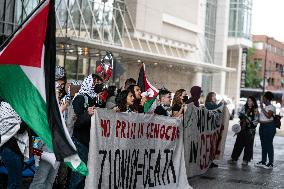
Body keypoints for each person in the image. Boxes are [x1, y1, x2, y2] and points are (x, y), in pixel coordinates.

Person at [30, 66, 68, 189]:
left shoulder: (63, 98)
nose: (60, 85)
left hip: (58, 142)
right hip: (45, 141)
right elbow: (41, 120)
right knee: (40, 179)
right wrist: (60, 110)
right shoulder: (43, 95)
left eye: (62, 81)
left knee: (50, 179)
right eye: (57, 81)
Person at [69, 74, 104, 189]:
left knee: (86, 176)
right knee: (78, 175)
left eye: (99, 82)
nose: (98, 85)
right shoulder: (80, 98)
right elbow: (76, 121)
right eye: (95, 82)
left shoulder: (96, 99)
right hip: (80, 141)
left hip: (90, 142)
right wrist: (87, 114)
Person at [0, 98, 27, 189]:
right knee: (15, 184)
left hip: (13, 149)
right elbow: (17, 128)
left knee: (15, 182)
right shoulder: (4, 106)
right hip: (10, 150)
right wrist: (25, 119)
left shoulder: (10, 104)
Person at [228, 96, 259, 166]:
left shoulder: (256, 110)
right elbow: (240, 114)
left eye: (250, 101)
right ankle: (234, 158)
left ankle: (246, 160)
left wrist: (250, 122)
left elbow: (256, 121)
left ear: (253, 102)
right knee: (238, 144)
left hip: (250, 130)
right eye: (248, 101)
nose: (249, 102)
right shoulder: (244, 107)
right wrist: (242, 117)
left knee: (248, 146)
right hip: (242, 129)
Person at [255, 91, 276, 169]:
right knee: (263, 145)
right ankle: (263, 161)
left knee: (269, 145)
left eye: (263, 98)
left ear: (267, 99)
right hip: (262, 126)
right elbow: (262, 117)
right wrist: (257, 113)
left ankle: (270, 163)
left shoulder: (272, 107)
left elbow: (268, 116)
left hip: (269, 127)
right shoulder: (265, 107)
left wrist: (262, 108)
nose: (262, 100)